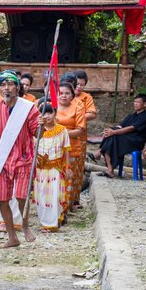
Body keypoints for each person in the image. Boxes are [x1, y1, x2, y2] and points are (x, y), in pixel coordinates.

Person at [0, 71, 39, 248]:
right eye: (3, 85)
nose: (7, 88)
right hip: (2, 157)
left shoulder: (28, 108)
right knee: (2, 198)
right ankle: (12, 237)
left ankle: (25, 224)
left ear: (17, 87)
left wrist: (43, 125)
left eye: (10, 84)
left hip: (23, 157)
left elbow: (37, 133)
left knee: (21, 196)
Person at [33, 102, 71, 232]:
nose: (47, 116)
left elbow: (66, 149)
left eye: (50, 112)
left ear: (55, 113)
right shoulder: (36, 130)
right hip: (40, 170)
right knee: (41, 196)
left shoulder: (62, 130)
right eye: (43, 113)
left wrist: (67, 167)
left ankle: (52, 224)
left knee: (53, 196)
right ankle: (44, 222)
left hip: (55, 169)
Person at [97, 94, 146, 178]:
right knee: (110, 134)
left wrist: (113, 132)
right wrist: (110, 130)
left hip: (136, 142)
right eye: (134, 102)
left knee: (113, 136)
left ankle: (100, 152)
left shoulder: (145, 117)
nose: (135, 104)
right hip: (125, 139)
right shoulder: (130, 116)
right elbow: (121, 126)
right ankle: (109, 169)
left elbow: (131, 128)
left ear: (145, 104)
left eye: (138, 102)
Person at [55, 80, 86, 212]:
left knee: (68, 178)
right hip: (53, 149)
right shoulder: (51, 107)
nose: (63, 95)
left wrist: (61, 133)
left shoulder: (78, 108)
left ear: (72, 95)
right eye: (61, 93)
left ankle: (65, 207)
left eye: (67, 93)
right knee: (54, 178)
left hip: (72, 148)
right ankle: (54, 205)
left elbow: (80, 130)